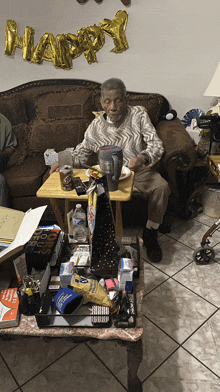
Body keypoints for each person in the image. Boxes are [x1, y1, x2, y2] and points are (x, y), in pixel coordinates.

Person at [50, 78, 171, 262]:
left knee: (161, 187)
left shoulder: (138, 114)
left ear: (126, 99)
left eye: (118, 100)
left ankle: (150, 233)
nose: (113, 107)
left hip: (137, 171)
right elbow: (81, 153)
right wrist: (63, 161)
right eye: (107, 101)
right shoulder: (95, 127)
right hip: (105, 175)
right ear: (101, 102)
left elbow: (156, 144)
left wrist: (143, 158)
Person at [0, 114, 17, 207]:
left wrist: (2, 154)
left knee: (1, 182)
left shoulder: (2, 121)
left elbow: (11, 147)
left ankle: (3, 220)